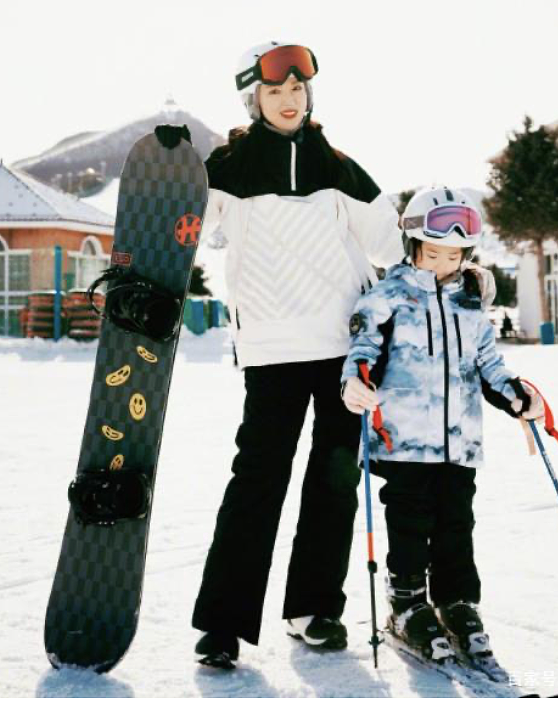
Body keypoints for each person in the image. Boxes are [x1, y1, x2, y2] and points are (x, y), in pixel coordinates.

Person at [157, 41, 406, 667]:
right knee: (257, 482)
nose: (289, 100)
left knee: (333, 482)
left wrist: (447, 278)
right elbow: (184, 231)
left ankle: (313, 609)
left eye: (297, 90)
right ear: (255, 99)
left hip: (343, 350)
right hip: (270, 350)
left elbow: (390, 245)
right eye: (275, 92)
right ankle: (222, 623)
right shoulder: (230, 168)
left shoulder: (339, 167)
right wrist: (172, 176)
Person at [340, 187, 544, 669]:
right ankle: (408, 605)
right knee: (410, 524)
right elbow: (362, 352)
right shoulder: (386, 297)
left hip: (460, 442)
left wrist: (515, 393)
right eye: (434, 253)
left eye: (454, 255)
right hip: (404, 440)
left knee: (457, 524)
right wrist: (355, 382)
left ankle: (457, 603)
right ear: (412, 246)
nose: (444, 263)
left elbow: (488, 363)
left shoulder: (470, 302)